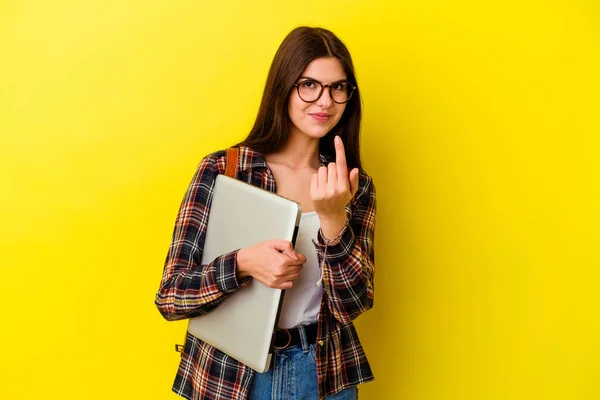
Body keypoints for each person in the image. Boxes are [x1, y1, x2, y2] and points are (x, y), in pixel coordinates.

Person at [155, 26, 376, 400]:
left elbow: (353, 304)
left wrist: (333, 219)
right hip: (230, 377)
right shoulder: (224, 170)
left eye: (338, 87)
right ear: (284, 86)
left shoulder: (352, 184)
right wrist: (243, 263)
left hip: (322, 375)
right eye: (309, 85)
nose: (325, 101)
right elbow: (171, 296)